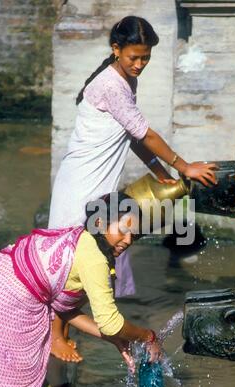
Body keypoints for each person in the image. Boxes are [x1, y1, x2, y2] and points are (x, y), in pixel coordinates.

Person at [48, 15, 218, 362]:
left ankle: (61, 332)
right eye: (133, 58)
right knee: (74, 260)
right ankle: (55, 334)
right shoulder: (111, 85)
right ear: (116, 50)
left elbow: (133, 136)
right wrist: (183, 166)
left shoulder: (126, 82)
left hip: (97, 180)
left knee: (97, 255)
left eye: (145, 58)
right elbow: (146, 134)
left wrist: (160, 171)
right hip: (83, 180)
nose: (140, 64)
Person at [0, 192, 161, 387]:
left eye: (133, 235)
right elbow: (111, 323)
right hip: (9, 301)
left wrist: (113, 339)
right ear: (101, 222)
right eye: (123, 230)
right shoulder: (94, 258)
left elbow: (67, 309)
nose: (127, 240)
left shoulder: (84, 239)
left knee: (29, 380)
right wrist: (148, 336)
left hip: (6, 279)